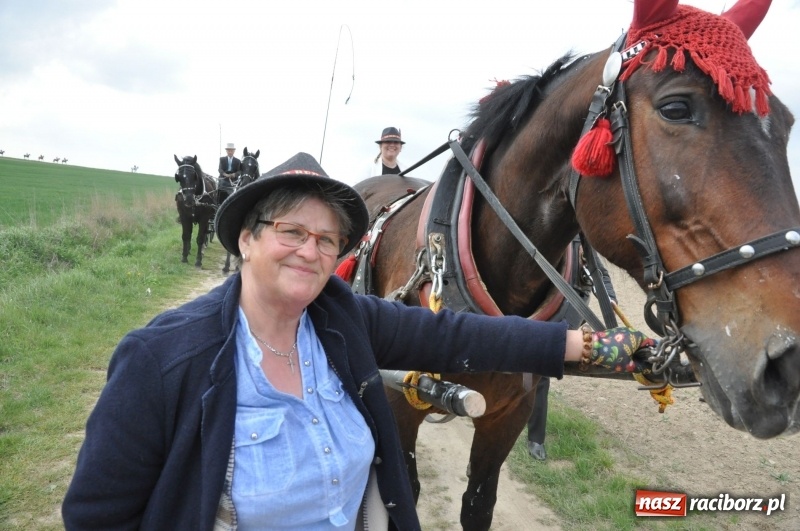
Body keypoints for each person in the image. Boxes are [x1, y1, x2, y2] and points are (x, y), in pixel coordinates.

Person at [62, 152, 656, 530]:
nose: (311, 251)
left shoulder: (344, 320)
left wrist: (597, 348)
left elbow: (461, 335)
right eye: (291, 231)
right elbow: (96, 516)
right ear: (245, 240)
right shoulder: (161, 359)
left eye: (327, 240)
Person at [526, 238, 620, 462]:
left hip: (571, 308)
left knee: (540, 371)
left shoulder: (581, 239)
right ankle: (528, 431)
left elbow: (600, 273)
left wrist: (611, 297)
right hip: (542, 305)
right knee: (531, 369)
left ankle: (534, 435)